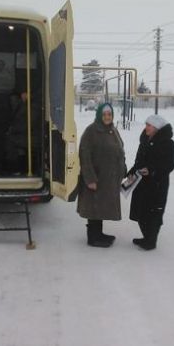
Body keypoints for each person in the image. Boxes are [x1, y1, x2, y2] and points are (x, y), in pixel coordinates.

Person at [76, 103, 126, 247]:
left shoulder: (112, 130)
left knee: (101, 206)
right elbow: (84, 156)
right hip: (96, 178)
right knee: (94, 206)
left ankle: (99, 234)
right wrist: (90, 178)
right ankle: (93, 238)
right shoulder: (91, 131)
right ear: (99, 115)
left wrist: (123, 168)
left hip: (108, 178)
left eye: (109, 114)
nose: (107, 117)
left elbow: (119, 151)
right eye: (104, 115)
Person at [127, 114, 174, 250]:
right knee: (141, 212)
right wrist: (130, 174)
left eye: (149, 125)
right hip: (141, 182)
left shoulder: (167, 143)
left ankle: (150, 241)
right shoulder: (145, 141)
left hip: (156, 184)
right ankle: (146, 237)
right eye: (146, 125)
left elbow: (170, 164)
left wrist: (152, 170)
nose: (146, 128)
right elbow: (139, 161)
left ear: (156, 128)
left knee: (153, 213)